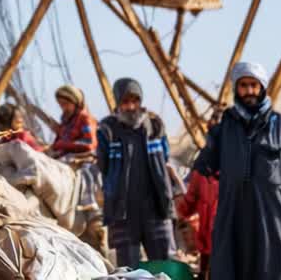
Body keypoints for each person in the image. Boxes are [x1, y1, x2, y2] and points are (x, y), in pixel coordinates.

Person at [194, 62, 281, 280]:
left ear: (262, 87)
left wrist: (276, 206)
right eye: (243, 85)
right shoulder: (224, 129)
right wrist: (212, 133)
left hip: (273, 225)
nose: (249, 91)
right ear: (236, 89)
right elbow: (204, 167)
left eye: (254, 85)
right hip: (233, 223)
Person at [97, 77, 176, 268]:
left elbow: (164, 156)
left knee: (163, 266)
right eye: (125, 102)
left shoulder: (155, 125)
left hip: (156, 208)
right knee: (129, 270)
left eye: (135, 101)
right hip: (123, 214)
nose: (131, 106)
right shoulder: (108, 129)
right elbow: (104, 165)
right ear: (118, 103)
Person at [177, 109, 222, 278]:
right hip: (207, 241)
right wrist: (180, 213)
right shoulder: (203, 163)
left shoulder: (240, 162)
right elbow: (191, 199)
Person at [50, 85, 96, 158]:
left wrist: (63, 145)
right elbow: (57, 144)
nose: (63, 108)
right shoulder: (66, 122)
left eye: (65, 104)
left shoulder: (85, 119)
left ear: (75, 102)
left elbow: (89, 143)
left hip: (81, 162)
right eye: (60, 105)